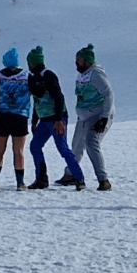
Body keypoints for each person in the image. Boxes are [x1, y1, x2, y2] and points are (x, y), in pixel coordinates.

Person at [56, 44, 115, 191]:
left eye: (79, 60)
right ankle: (70, 174)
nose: (76, 62)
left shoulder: (96, 74)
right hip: (84, 116)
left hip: (99, 115)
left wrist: (104, 117)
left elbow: (108, 94)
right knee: (77, 144)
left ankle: (103, 180)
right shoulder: (83, 73)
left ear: (87, 61)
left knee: (91, 142)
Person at [25, 46, 85, 191]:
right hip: (44, 119)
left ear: (33, 63)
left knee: (62, 148)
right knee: (35, 146)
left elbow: (59, 97)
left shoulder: (48, 75)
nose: (28, 66)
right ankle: (41, 179)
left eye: (29, 63)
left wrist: (59, 120)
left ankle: (79, 178)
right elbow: (37, 101)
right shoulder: (33, 78)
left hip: (56, 119)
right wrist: (34, 120)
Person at [0, 48, 35, 191]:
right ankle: (20, 183)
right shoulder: (27, 76)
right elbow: (38, 92)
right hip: (20, 116)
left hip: (1, 117)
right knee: (18, 151)